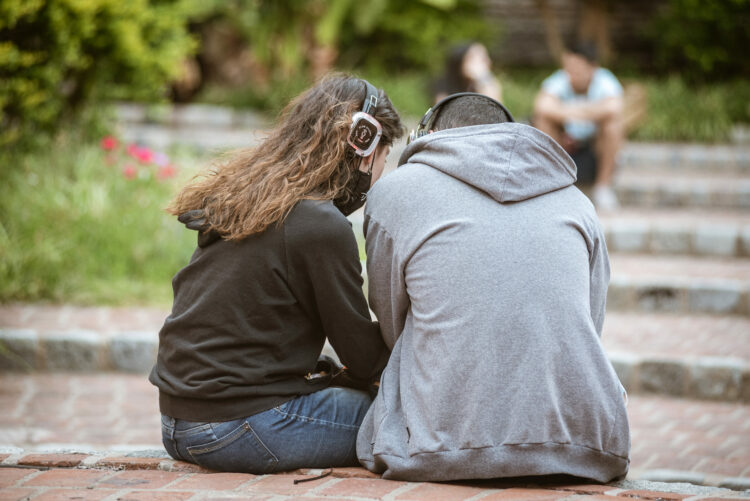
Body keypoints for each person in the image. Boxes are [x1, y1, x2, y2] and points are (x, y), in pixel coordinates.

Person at [356, 93, 630, 483]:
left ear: (431, 135)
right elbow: (591, 322)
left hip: (433, 447)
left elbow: (391, 319)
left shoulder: (394, 192)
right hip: (586, 447)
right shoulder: (579, 203)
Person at [148, 74, 404, 474]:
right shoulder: (321, 225)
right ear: (364, 146)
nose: (379, 179)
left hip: (178, 424)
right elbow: (363, 356)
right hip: (237, 426)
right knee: (407, 416)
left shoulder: (255, 199)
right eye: (384, 162)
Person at [533, 41, 624, 211]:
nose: (571, 73)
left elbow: (614, 108)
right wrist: (590, 112)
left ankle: (603, 187)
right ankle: (551, 183)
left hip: (595, 146)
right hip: (564, 145)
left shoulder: (605, 80)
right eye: (568, 67)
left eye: (577, 68)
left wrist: (568, 111)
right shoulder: (559, 79)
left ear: (592, 67)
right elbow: (542, 106)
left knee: (613, 125)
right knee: (543, 121)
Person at [433, 42, 502, 103]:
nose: (488, 62)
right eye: (481, 59)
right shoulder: (444, 87)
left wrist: (483, 78)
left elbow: (495, 110)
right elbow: (443, 112)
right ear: (461, 61)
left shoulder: (488, 84)